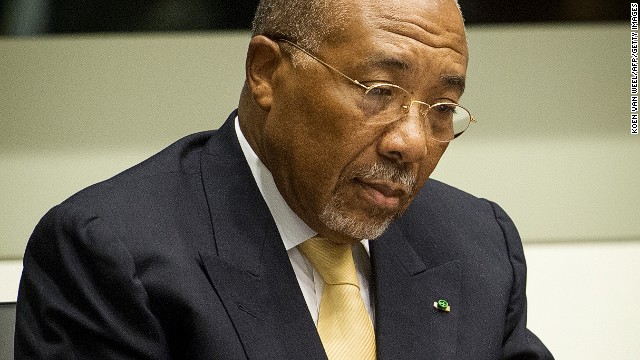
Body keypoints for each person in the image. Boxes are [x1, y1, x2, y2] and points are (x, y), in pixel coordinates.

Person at [14, 0, 554, 359]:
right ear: (267, 72)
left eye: (442, 108)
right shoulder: (111, 253)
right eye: (377, 91)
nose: (410, 142)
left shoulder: (476, 241)